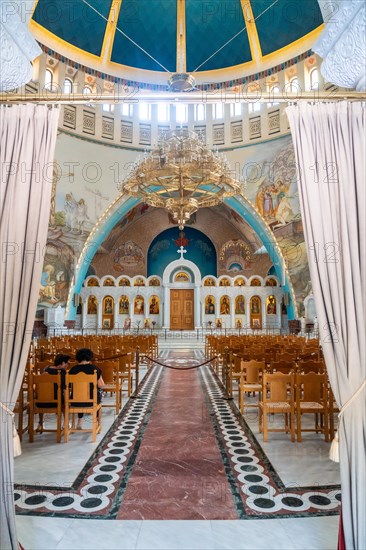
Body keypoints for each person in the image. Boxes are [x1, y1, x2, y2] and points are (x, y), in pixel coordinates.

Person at [68, 348, 104, 430]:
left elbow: (69, 386)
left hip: (75, 402)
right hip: (91, 401)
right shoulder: (94, 368)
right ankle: (98, 422)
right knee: (98, 393)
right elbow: (101, 385)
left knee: (80, 393)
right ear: (90, 357)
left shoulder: (72, 370)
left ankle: (80, 421)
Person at [37, 354, 70, 431]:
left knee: (43, 394)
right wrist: (67, 401)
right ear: (62, 363)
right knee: (65, 401)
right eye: (67, 363)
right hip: (56, 402)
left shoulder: (46, 369)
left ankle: (41, 423)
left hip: (40, 402)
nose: (67, 365)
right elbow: (64, 388)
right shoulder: (62, 372)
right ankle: (66, 423)